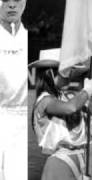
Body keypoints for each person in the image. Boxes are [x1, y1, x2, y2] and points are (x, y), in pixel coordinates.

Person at [29, 51, 92, 180]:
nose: (69, 76)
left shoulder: (64, 96)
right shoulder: (45, 100)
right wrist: (87, 91)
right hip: (60, 161)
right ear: (50, 73)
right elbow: (70, 108)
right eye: (65, 72)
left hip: (80, 158)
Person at [0, 0, 27, 179]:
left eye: (16, 0)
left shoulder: (25, 35)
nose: (11, 5)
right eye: (6, 0)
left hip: (22, 121)